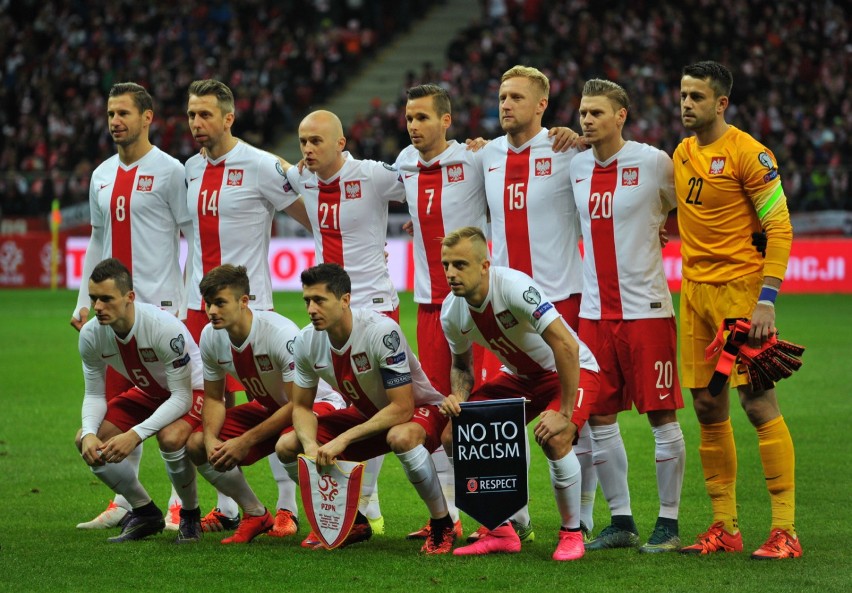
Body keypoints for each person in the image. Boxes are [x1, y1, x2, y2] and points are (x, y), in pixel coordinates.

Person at [674, 61, 800, 559]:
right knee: (707, 406)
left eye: (697, 97)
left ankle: (786, 530)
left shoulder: (750, 153)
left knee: (757, 404)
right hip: (694, 294)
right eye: (683, 95)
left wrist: (765, 299)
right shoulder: (682, 153)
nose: (686, 104)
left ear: (721, 103)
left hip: (739, 295)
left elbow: (780, 227)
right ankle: (724, 526)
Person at [183, 79, 312, 534]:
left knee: (275, 400)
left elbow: (313, 214)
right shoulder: (189, 170)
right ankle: (232, 506)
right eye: (192, 115)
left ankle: (287, 507)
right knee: (210, 407)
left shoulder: (261, 165)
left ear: (228, 117)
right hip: (201, 307)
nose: (197, 124)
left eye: (205, 115)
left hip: (252, 307)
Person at [474, 64, 595, 542]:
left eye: (517, 98)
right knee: (501, 418)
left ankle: (589, 518)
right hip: (502, 312)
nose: (506, 105)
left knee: (581, 415)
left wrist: (583, 139)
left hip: (559, 302)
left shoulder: (568, 150)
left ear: (542, 105)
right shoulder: (483, 156)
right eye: (502, 96)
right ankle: (512, 516)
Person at [568, 79, 686, 553]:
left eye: (597, 112)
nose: (587, 120)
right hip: (594, 315)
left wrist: (661, 229)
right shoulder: (575, 166)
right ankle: (621, 520)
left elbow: (687, 213)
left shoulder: (655, 162)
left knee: (662, 415)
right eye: (582, 113)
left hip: (647, 312)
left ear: (621, 115)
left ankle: (670, 523)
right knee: (599, 418)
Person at [70, 82, 192, 531]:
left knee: (180, 408)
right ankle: (126, 501)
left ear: (147, 118)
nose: (115, 121)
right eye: (110, 114)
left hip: (161, 310)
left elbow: (190, 235)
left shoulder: (170, 170)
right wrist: (85, 299)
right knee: (120, 404)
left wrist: (184, 298)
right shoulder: (100, 174)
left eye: (124, 113)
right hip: (114, 315)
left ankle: (182, 502)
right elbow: (97, 240)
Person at [438, 227, 599, 561]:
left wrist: (565, 413)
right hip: (520, 378)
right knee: (455, 435)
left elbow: (565, 345)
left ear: (484, 266)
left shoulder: (514, 287)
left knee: (555, 438)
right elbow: (462, 367)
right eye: (446, 265)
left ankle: (572, 534)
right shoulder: (452, 312)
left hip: (572, 369)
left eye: (460, 264)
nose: (451, 273)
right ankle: (500, 530)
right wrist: (459, 398)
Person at [275, 263, 457, 555]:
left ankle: (442, 524)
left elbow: (402, 407)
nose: (311, 309)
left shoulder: (381, 331)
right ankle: (352, 524)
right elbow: (301, 406)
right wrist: (311, 446)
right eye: (307, 300)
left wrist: (344, 439)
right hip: (368, 415)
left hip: (420, 411)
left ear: (345, 299)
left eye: (319, 300)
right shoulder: (306, 341)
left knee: (402, 437)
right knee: (288, 445)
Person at [283, 108, 397, 539]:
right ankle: (351, 503)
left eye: (316, 141)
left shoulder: (373, 175)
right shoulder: (301, 177)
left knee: (381, 401)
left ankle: (367, 500)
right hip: (329, 309)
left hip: (374, 304)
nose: (308, 149)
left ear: (341, 144)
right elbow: (283, 184)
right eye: (302, 141)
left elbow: (430, 186)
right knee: (334, 398)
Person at [187, 264, 345, 544]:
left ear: (243, 301)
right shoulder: (211, 335)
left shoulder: (279, 333)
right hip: (272, 409)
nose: (211, 311)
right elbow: (213, 397)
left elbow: (298, 403)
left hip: (316, 404)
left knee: (288, 444)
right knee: (197, 445)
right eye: (208, 303)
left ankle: (336, 520)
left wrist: (245, 440)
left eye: (220, 303)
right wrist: (211, 438)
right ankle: (255, 514)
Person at [393, 84, 489, 540]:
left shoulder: (474, 159)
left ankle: (503, 517)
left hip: (473, 308)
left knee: (476, 417)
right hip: (428, 308)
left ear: (446, 121)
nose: (414, 126)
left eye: (423, 117)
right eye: (410, 117)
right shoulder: (403, 165)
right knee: (434, 414)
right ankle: (446, 516)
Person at [75, 258, 204, 543]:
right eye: (94, 298)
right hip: (149, 392)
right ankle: (145, 511)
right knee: (87, 440)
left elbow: (182, 397)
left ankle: (190, 514)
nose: (97, 307)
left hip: (193, 391)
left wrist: (135, 435)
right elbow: (95, 394)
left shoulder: (163, 327)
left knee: (170, 439)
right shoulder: (91, 335)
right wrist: (88, 432)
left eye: (106, 299)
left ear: (129, 297)